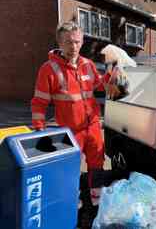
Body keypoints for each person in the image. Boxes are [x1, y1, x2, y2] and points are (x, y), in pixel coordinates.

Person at [31, 22, 120, 197]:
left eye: (77, 42)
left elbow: (99, 86)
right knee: (69, 167)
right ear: (59, 43)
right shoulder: (48, 69)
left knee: (97, 163)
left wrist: (111, 75)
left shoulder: (88, 64)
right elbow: (39, 102)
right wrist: (39, 131)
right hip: (70, 131)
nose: (74, 46)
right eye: (68, 42)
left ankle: (96, 200)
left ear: (82, 41)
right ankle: (72, 203)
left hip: (93, 125)